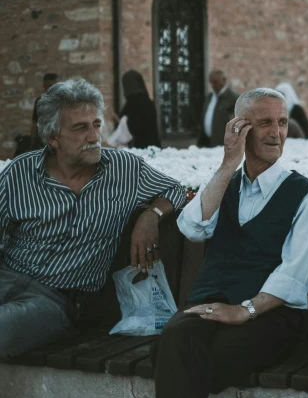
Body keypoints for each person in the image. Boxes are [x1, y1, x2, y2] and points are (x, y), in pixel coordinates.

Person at [153, 88, 308, 398]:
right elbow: (192, 228)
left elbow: (296, 273)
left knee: (186, 354)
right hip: (212, 302)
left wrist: (244, 310)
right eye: (265, 123)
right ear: (240, 127)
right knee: (174, 340)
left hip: (273, 314)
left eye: (283, 123)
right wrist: (227, 163)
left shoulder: (305, 194)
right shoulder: (225, 183)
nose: (277, 133)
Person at [0, 78, 186, 360]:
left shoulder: (124, 169)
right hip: (8, 275)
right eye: (80, 128)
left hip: (56, 300)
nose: (93, 136)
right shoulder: (20, 172)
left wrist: (151, 215)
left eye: (96, 125)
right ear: (53, 138)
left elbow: (176, 189)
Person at [119, 70, 161, 148]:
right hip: (154, 146)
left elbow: (131, 127)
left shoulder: (132, 103)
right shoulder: (149, 102)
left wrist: (118, 120)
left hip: (140, 148)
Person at [198, 69, 238, 147]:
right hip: (207, 143)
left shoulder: (232, 98)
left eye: (215, 82)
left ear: (224, 80)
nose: (213, 85)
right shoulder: (209, 97)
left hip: (223, 145)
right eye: (211, 82)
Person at [30, 72, 58, 150]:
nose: (52, 88)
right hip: (42, 140)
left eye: (54, 85)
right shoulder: (40, 101)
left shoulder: (61, 101)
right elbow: (34, 122)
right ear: (44, 86)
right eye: (49, 86)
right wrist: (32, 141)